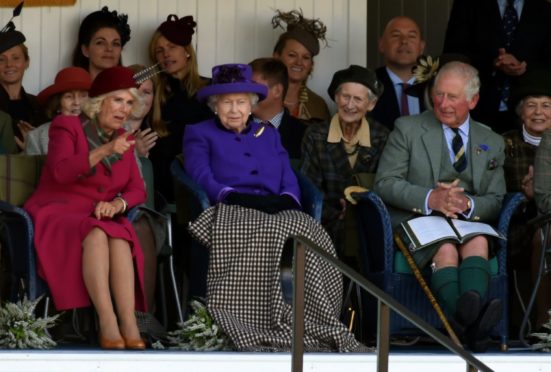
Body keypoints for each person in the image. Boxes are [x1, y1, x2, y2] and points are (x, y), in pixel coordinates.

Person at [183, 63, 363, 352]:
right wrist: (228, 194)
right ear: (215, 106)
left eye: (241, 102)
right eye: (227, 102)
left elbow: (288, 175)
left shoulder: (267, 133)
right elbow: (199, 173)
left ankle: (313, 318)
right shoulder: (199, 132)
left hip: (275, 207)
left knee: (308, 229)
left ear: (252, 105)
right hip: (230, 208)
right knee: (272, 229)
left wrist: (289, 199)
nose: (234, 109)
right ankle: (252, 321)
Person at [373, 61, 506, 352]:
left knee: (480, 241)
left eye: (452, 97)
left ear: (473, 100)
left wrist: (468, 203)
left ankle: (462, 322)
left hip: (468, 221)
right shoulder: (407, 129)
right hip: (418, 218)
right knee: (445, 248)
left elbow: (496, 198)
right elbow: (385, 183)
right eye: (439, 94)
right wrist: (430, 198)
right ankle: (474, 328)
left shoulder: (491, 141)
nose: (442, 103)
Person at [24, 66, 147, 350]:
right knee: (98, 233)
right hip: (57, 210)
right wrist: (105, 150)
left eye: (130, 103)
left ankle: (128, 322)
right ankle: (107, 322)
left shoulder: (125, 139)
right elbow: (61, 172)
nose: (124, 109)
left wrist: (119, 203)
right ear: (99, 101)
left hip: (99, 213)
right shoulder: (67, 126)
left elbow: (137, 189)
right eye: (118, 100)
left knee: (118, 236)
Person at [300, 65, 388, 266]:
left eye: (358, 99)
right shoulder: (315, 135)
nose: (350, 105)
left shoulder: (382, 136)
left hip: (367, 224)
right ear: (336, 98)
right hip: (325, 223)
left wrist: (357, 210)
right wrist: (335, 213)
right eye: (345, 97)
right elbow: (309, 187)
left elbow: (384, 184)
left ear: (371, 104)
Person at [443, 0, 551, 134]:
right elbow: (453, 54)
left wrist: (524, 67)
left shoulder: (545, 8)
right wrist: (493, 63)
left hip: (529, 111)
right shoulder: (467, 5)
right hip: (477, 107)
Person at [505, 68, 551, 332]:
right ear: (521, 111)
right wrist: (524, 196)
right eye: (531, 105)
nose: (538, 112)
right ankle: (542, 328)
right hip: (518, 225)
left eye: (546, 105)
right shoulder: (503, 144)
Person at [148, 14, 212, 202]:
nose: (166, 54)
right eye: (159, 50)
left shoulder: (211, 90)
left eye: (172, 47)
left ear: (187, 52)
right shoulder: (153, 97)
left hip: (204, 184)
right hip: (164, 190)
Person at [272, 9, 330, 125]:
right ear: (276, 57)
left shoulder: (318, 105)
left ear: (311, 65)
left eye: (306, 57)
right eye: (292, 55)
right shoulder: (260, 98)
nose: (299, 62)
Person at [370, 16, 426, 130]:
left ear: (421, 47)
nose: (404, 41)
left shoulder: (434, 86)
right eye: (396, 35)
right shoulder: (368, 85)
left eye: (411, 36)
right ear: (381, 45)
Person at [0, 13, 47, 140]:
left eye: (16, 58)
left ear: (26, 62)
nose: (9, 64)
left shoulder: (37, 104)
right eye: (1, 60)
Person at [23, 67, 91, 154]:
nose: (77, 103)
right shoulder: (36, 137)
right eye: (69, 96)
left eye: (83, 96)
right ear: (58, 104)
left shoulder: (104, 131)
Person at [249, 57, 306, 160]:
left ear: (277, 91)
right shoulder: (231, 127)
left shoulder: (304, 134)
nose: (246, 93)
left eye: (253, 87)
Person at [71, 6, 130, 80]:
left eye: (115, 44)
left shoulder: (131, 89)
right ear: (85, 50)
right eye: (100, 43)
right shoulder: (72, 89)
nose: (109, 49)